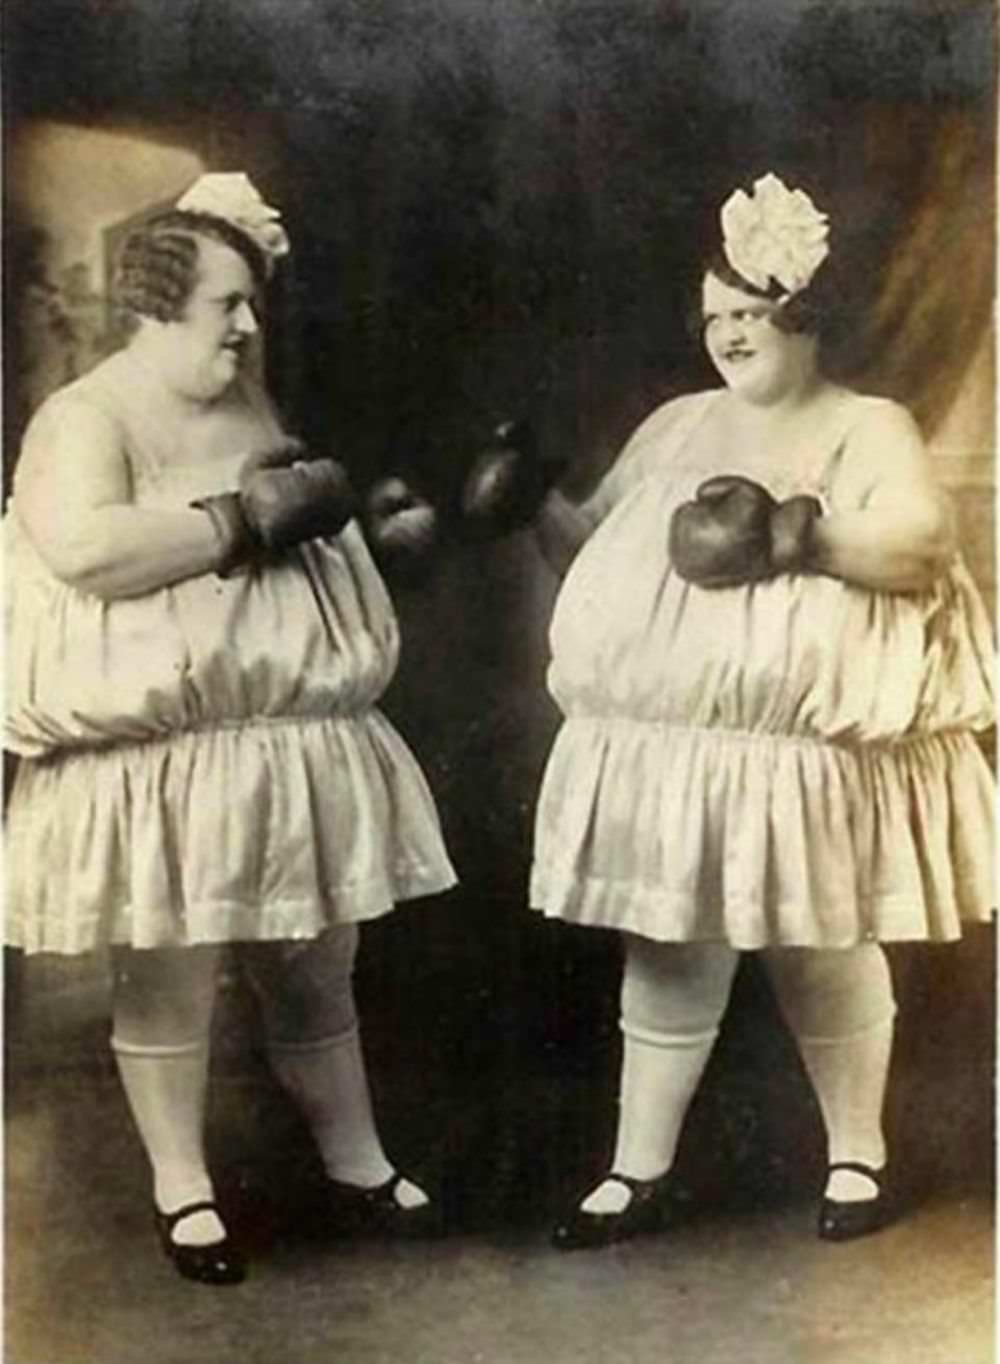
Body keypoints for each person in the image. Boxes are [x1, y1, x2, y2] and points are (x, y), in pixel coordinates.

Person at [506, 173, 994, 1248]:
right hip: (680, 752)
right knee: (671, 940)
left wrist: (796, 532)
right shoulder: (678, 423)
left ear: (802, 314)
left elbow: (920, 545)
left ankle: (857, 1152)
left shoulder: (866, 424)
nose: (726, 333)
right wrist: (528, 496)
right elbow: (588, 541)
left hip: (800, 751)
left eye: (747, 312)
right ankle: (638, 1168)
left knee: (820, 936)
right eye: (713, 316)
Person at [4, 173, 457, 1284]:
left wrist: (360, 535)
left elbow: (289, 531)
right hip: (165, 746)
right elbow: (86, 551)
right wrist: (236, 521)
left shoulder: (246, 405)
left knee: (316, 956)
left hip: (285, 733)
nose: (250, 326)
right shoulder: (85, 416)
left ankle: (356, 1159)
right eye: (226, 306)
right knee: (170, 960)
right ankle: (184, 1187)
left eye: (252, 303)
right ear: (156, 309)